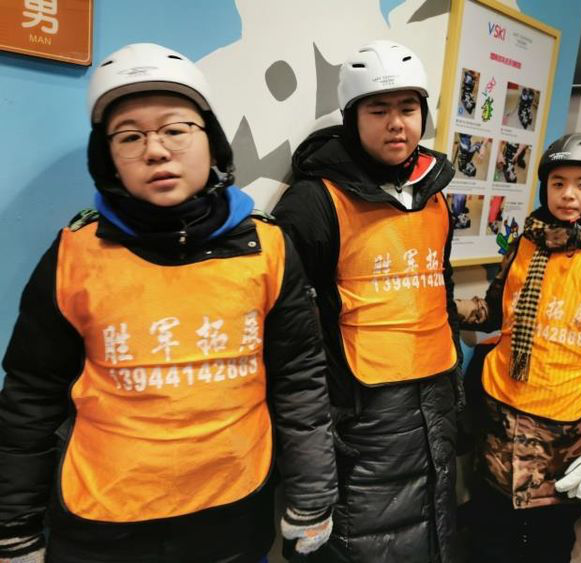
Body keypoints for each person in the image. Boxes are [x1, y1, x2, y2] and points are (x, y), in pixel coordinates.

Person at [0, 43, 337, 563]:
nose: (155, 151)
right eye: (129, 136)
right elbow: (31, 398)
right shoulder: (75, 255)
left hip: (232, 516)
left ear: (212, 142)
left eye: (176, 130)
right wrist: (14, 527)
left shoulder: (267, 247)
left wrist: (312, 497)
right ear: (107, 158)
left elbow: (299, 380)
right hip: (103, 526)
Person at [272, 40, 463, 563]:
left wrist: (454, 389)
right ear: (352, 117)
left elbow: (439, 288)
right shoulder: (314, 201)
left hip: (433, 401)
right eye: (378, 110)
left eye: (408, 108)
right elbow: (289, 330)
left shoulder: (434, 193)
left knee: (432, 531)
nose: (396, 124)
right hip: (362, 418)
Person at [456, 133, 581, 563]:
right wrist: (442, 306)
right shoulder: (526, 244)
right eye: (558, 182)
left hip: (563, 435)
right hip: (500, 418)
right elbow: (495, 310)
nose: (568, 194)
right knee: (488, 534)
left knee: (546, 541)